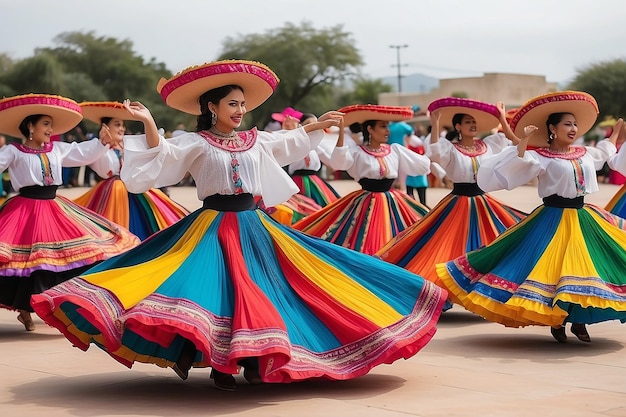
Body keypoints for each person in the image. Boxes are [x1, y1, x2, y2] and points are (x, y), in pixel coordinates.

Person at [31, 60, 447, 391]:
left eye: (243, 105)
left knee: (271, 289)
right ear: (211, 107)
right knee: (218, 294)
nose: (240, 111)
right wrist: (150, 124)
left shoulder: (256, 140)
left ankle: (253, 360)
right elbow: (161, 160)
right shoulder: (195, 142)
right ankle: (223, 367)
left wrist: (317, 126)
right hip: (212, 224)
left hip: (253, 224)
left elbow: (289, 144)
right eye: (232, 104)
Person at [437, 91, 626, 343]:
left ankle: (579, 321)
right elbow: (515, 164)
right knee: (554, 270)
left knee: (584, 267)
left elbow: (605, 151)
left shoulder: (584, 153)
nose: (572, 128)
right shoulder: (541, 157)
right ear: (552, 128)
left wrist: (616, 132)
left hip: (582, 217)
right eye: (566, 124)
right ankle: (557, 319)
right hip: (552, 218)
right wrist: (523, 139)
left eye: (574, 124)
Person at [0, 93, 139, 331]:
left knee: (53, 261)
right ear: (30, 126)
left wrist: (101, 142)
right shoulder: (14, 151)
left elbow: (82, 153)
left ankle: (53, 306)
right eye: (46, 124)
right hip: (24, 208)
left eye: (51, 125)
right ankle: (24, 308)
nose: (50, 129)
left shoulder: (57, 149)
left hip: (52, 206)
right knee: (26, 261)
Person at [377, 98, 527, 290]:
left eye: (474, 122)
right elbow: (434, 151)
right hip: (458, 202)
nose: (472, 125)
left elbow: (510, 140)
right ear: (457, 126)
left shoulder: (487, 146)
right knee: (451, 245)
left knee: (493, 242)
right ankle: (448, 288)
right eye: (467, 122)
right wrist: (436, 123)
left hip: (483, 201)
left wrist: (502, 119)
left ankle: (482, 289)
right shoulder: (451, 149)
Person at [293, 104, 431, 255]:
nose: (387, 131)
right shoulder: (358, 152)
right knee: (365, 240)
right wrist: (341, 133)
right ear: (370, 129)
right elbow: (338, 163)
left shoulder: (395, 150)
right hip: (366, 200)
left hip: (392, 199)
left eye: (387, 126)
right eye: (383, 126)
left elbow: (424, 165)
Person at [73, 101, 190, 240]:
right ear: (105, 127)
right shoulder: (99, 149)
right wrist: (103, 144)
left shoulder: (130, 145)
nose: (121, 128)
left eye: (123, 125)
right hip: (112, 192)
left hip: (135, 188)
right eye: (117, 124)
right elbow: (103, 170)